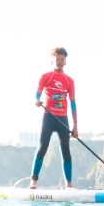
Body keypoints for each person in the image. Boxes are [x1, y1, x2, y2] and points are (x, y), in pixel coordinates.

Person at [32, 47, 78, 189]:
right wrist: (37, 100)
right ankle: (33, 181)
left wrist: (75, 125)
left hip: (63, 119)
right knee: (42, 147)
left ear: (65, 62)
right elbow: (37, 94)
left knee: (66, 151)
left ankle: (69, 185)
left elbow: (73, 103)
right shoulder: (46, 76)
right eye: (57, 59)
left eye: (62, 59)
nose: (59, 62)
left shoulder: (69, 81)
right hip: (49, 117)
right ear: (52, 60)